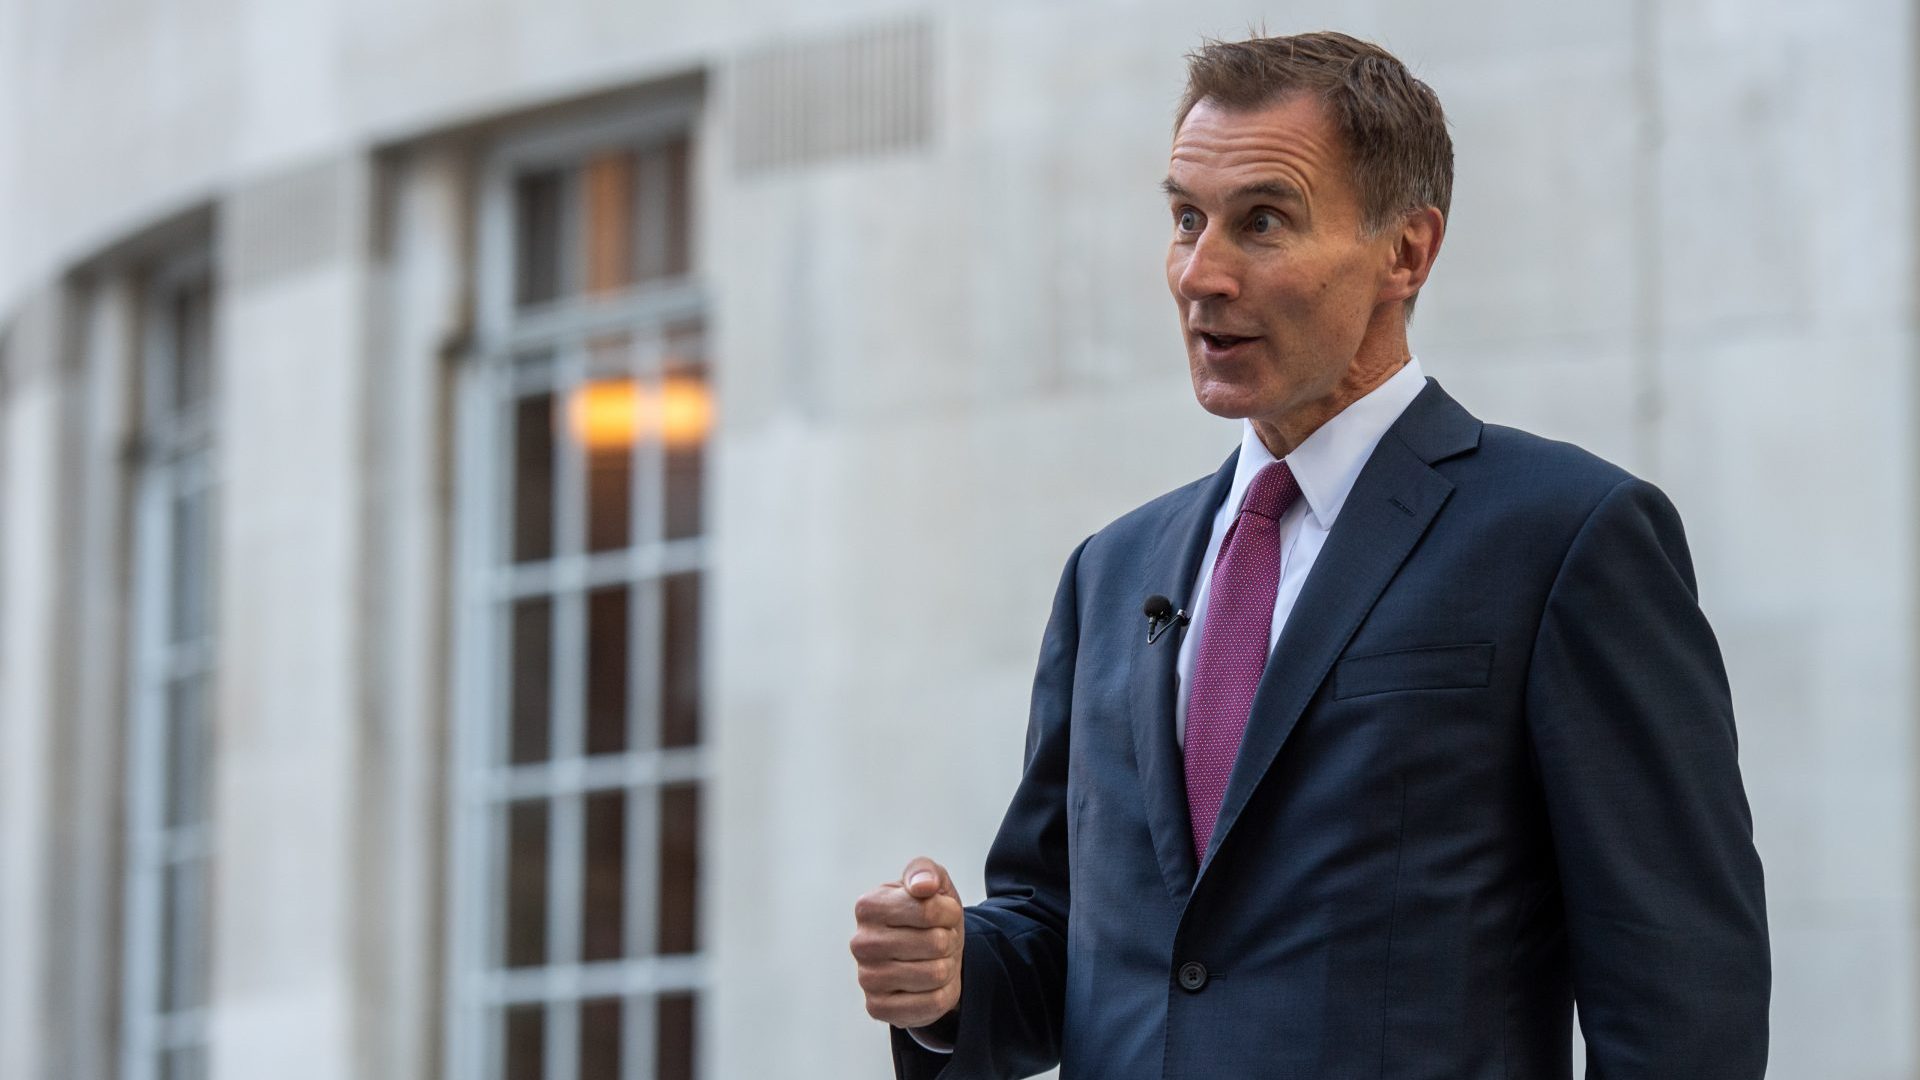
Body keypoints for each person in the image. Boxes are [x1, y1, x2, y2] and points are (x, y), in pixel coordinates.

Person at [849, 30, 1769, 1080]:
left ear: (1407, 252)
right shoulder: (1109, 572)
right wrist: (953, 976)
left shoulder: (1568, 540)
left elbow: (1682, 995)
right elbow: (1067, 934)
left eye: (1263, 222)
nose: (1202, 274)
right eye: (1187, 218)